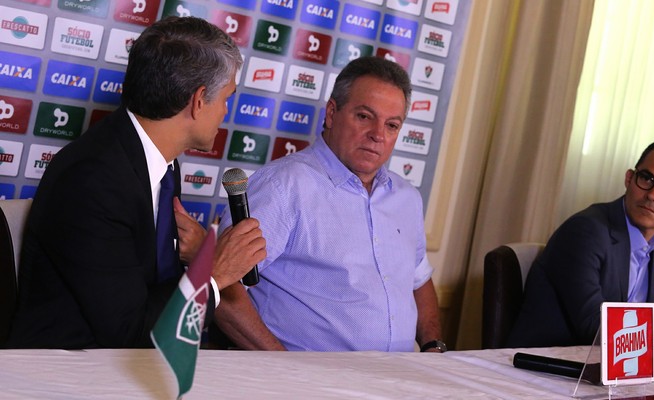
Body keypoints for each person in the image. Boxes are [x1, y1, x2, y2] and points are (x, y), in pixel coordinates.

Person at [7, 16, 266, 349]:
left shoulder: (158, 160)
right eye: (226, 98)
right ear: (199, 101)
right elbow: (130, 334)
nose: (226, 112)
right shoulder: (93, 179)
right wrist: (214, 273)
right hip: (66, 373)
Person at [214, 56, 444, 352]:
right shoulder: (283, 186)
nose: (377, 135)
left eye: (391, 125)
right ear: (332, 113)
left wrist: (434, 347)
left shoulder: (407, 197)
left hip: (397, 381)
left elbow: (419, 279)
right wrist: (285, 367)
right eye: (364, 116)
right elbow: (222, 285)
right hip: (308, 384)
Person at [507, 140, 654, 361]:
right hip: (549, 366)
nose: (652, 194)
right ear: (629, 178)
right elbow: (595, 323)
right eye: (646, 179)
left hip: (611, 368)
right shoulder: (586, 231)